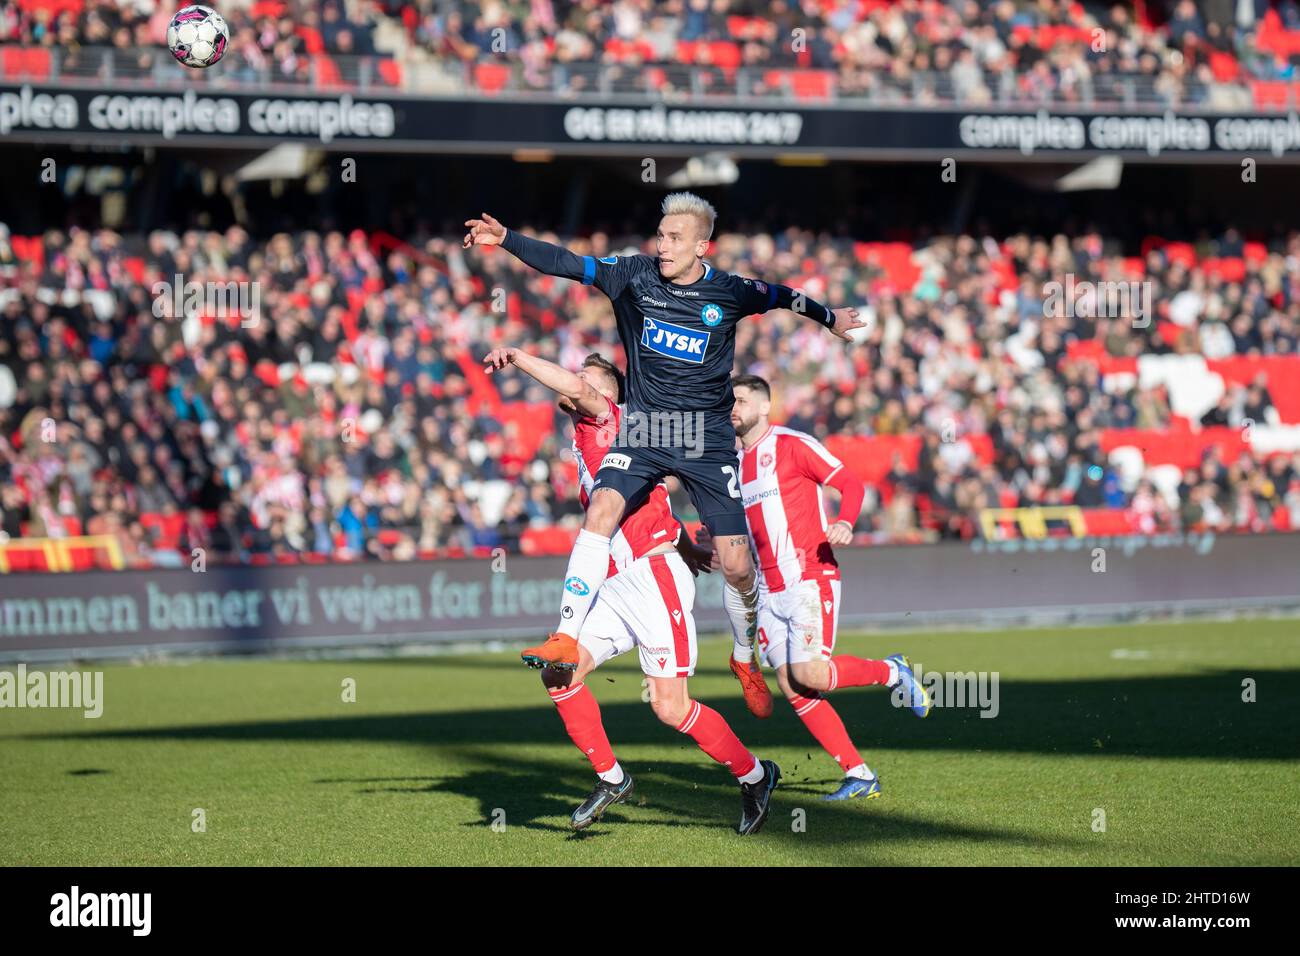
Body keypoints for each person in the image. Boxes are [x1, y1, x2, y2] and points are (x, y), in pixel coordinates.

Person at [464, 193, 863, 720]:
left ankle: (745, 659)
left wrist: (831, 318)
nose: (662, 245)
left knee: (739, 567)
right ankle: (564, 633)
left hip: (706, 439)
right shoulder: (631, 274)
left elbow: (785, 296)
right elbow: (566, 263)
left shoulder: (732, 290)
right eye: (659, 235)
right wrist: (508, 239)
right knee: (601, 509)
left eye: (674, 238)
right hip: (647, 429)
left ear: (702, 244)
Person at [482, 345, 782, 834]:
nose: (576, 383)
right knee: (560, 674)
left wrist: (518, 358)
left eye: (587, 378)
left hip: (651, 579)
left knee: (670, 707)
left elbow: (581, 391)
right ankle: (611, 777)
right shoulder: (607, 439)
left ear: (606, 393)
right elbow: (650, 500)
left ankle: (754, 775)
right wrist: (685, 540)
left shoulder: (609, 419)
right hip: (618, 585)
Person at [720, 374, 931, 800]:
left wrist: (845, 521)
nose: (733, 408)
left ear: (764, 407)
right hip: (767, 591)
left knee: (811, 672)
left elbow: (849, 483)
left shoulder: (792, 444)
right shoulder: (734, 464)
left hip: (809, 579)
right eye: (730, 401)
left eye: (741, 400)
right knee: (794, 686)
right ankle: (860, 774)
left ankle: (892, 670)